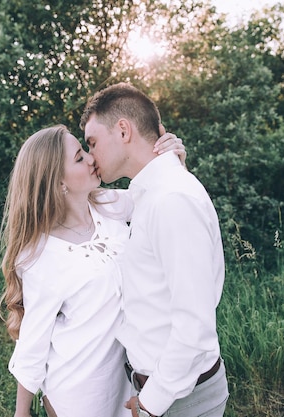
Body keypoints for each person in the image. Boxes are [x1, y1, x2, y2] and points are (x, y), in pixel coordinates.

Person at [0, 124, 185, 417]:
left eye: (85, 150)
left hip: (125, 381)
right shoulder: (40, 256)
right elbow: (33, 344)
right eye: (78, 157)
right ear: (58, 182)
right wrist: (21, 413)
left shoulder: (108, 205)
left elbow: (162, 195)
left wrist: (172, 161)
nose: (91, 158)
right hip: (77, 393)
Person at [79, 82, 229, 417]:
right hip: (157, 390)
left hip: (178, 400)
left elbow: (194, 326)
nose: (90, 156)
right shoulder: (149, 193)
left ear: (123, 130)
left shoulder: (171, 200)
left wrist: (151, 404)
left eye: (92, 143)